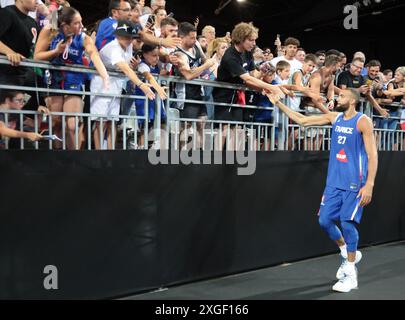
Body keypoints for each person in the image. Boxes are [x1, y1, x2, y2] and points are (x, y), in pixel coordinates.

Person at [268, 88, 378, 293]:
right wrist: (278, 103)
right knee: (325, 221)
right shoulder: (334, 118)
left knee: (347, 222)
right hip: (334, 183)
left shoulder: (363, 121)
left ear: (353, 102)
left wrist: (369, 184)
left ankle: (351, 273)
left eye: (343, 96)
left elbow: (372, 155)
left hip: (355, 183)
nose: (338, 98)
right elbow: (302, 120)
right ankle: (346, 251)